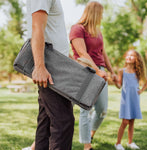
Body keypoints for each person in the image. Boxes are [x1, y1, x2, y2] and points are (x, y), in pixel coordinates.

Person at [22, 0, 75, 150]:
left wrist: (73, 62)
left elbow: (53, 34)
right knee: (63, 121)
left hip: (55, 65)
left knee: (45, 123)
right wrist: (39, 66)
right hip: (51, 68)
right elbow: (37, 27)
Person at [69, 2, 117, 150]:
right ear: (95, 13)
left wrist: (111, 71)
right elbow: (82, 53)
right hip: (87, 70)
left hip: (100, 71)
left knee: (102, 110)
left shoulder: (97, 31)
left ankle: (91, 133)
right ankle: (87, 145)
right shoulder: (77, 29)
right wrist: (97, 71)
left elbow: (103, 53)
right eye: (101, 13)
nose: (102, 17)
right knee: (86, 109)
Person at [114, 50, 147, 150]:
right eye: (128, 55)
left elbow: (146, 82)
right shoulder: (122, 71)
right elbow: (119, 85)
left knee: (132, 121)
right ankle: (118, 143)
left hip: (135, 99)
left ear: (136, 59)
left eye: (132, 56)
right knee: (125, 122)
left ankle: (130, 142)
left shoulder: (138, 71)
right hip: (126, 99)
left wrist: (141, 90)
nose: (129, 57)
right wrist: (115, 82)